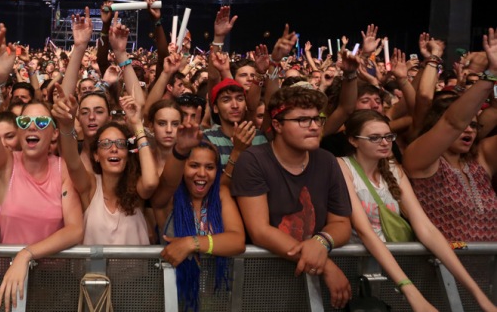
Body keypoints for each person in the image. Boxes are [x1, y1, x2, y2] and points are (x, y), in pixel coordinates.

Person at [339, 109, 497, 311]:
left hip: (396, 268)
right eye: (374, 138)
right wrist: (410, 291)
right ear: (353, 141)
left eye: (388, 136)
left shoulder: (394, 169)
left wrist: (478, 295)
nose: (385, 142)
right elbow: (365, 231)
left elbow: (426, 228)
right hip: (356, 271)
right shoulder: (342, 166)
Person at [0, 23, 83, 312]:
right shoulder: (6, 167)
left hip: (54, 282)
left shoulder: (62, 169)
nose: (32, 126)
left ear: (53, 134)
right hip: (5, 281)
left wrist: (26, 254)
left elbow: (75, 230)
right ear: (19, 132)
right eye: (24, 122)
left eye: (42, 122)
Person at [230, 86, 353, 310]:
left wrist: (321, 242)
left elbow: (342, 223)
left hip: (316, 285)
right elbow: (260, 231)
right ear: (277, 125)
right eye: (303, 120)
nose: (314, 126)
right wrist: (325, 264)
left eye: (317, 119)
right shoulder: (253, 161)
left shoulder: (327, 161)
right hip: (264, 284)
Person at [403, 28, 497, 242]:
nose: (469, 129)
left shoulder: (480, 160)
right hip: (441, 270)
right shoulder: (421, 160)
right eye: (465, 124)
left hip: (488, 271)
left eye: (474, 125)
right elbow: (453, 122)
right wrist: (491, 74)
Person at [151, 106, 245, 312]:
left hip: (217, 300)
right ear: (182, 168)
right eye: (193, 165)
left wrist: (191, 243)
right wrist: (180, 151)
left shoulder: (220, 195)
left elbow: (237, 241)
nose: (201, 173)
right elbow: (167, 181)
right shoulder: (167, 201)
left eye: (209, 167)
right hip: (170, 300)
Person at [53, 84, 158, 245]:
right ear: (96, 155)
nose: (114, 149)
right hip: (94, 271)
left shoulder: (135, 190)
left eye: (120, 144)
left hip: (137, 271)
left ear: (127, 153)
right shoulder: (90, 187)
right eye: (106, 144)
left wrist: (137, 125)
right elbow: (73, 162)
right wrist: (66, 125)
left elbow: (151, 182)